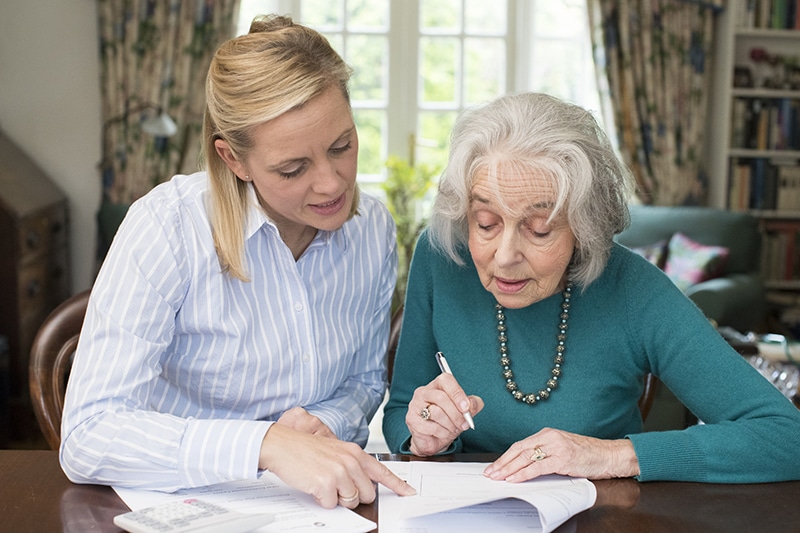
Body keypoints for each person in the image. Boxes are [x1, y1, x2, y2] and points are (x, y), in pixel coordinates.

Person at [60, 14, 415, 508]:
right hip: (180, 503)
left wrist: (320, 429)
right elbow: (88, 434)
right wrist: (266, 444)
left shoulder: (372, 229)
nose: (333, 183)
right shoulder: (168, 228)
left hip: (316, 505)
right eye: (292, 169)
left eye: (342, 146)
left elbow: (362, 382)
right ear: (233, 159)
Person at [382, 92, 800, 483]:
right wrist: (424, 435)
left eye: (540, 230)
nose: (505, 255)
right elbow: (402, 410)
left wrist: (610, 455)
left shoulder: (633, 289)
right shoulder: (442, 256)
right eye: (486, 223)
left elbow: (785, 437)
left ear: (585, 228)